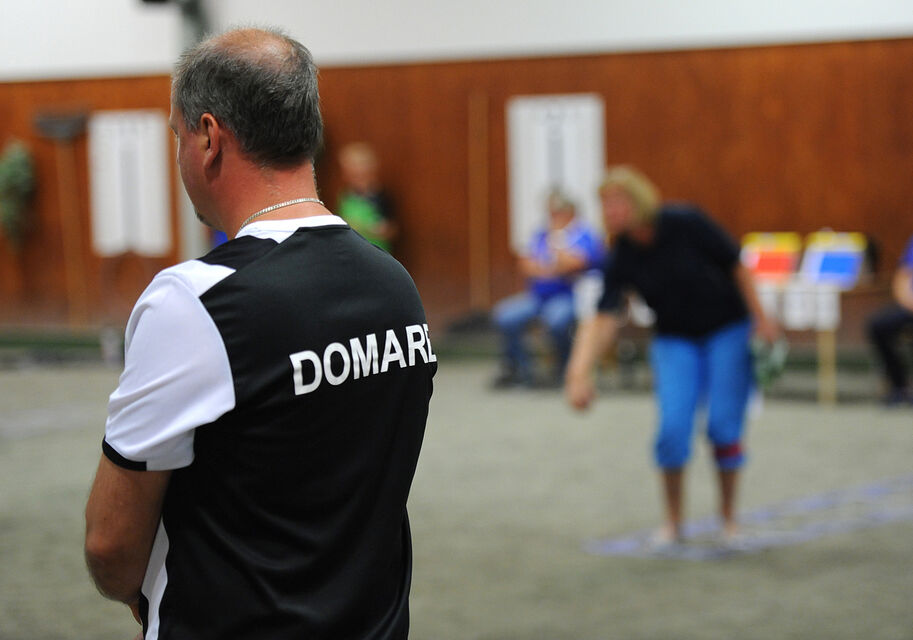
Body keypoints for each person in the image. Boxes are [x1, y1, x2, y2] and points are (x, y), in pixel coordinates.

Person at [84, 28, 436, 640]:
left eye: (176, 135)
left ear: (208, 138)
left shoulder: (197, 301)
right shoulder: (395, 285)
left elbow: (111, 547)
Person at [564, 166, 777, 544]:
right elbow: (603, 317)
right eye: (605, 204)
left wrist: (761, 319)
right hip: (674, 339)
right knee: (672, 431)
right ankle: (674, 522)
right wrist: (579, 373)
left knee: (724, 426)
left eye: (617, 201)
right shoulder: (623, 253)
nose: (610, 210)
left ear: (639, 200)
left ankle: (729, 519)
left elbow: (736, 265)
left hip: (727, 330)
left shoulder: (686, 222)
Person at [492, 189, 604, 388]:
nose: (553, 216)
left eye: (558, 211)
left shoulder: (583, 234)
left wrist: (556, 255)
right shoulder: (542, 233)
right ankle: (521, 370)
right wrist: (552, 268)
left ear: (570, 212)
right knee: (505, 316)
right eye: (551, 212)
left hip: (568, 297)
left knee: (556, 321)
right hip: (538, 297)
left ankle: (564, 369)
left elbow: (575, 264)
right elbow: (526, 264)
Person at [866, 234, 913, 405]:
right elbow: (902, 277)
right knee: (879, 325)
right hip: (910, 306)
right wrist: (908, 302)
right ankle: (899, 386)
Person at [337, 142, 397, 252]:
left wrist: (369, 229)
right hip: (352, 250)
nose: (355, 180)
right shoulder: (346, 196)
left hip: (376, 251)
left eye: (359, 175)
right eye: (351, 175)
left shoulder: (380, 198)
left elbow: (391, 230)